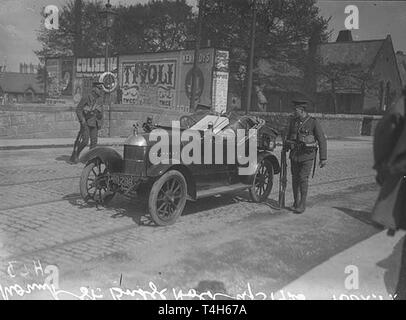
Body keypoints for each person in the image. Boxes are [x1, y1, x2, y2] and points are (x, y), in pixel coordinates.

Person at [284, 100, 327, 213]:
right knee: (295, 179)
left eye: (295, 110)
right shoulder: (293, 121)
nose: (294, 111)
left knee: (303, 179)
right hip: (294, 155)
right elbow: (288, 136)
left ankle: (302, 204)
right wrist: (285, 148)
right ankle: (296, 202)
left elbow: (322, 139)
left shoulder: (313, 122)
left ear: (301, 110)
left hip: (307, 156)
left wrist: (323, 158)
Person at [69, 82, 104, 164]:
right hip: (86, 122)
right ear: (94, 89)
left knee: (94, 143)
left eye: (101, 89)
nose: (101, 90)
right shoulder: (86, 97)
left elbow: (101, 113)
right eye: (99, 88)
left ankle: (90, 159)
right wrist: (82, 120)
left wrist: (99, 115)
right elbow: (78, 109)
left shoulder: (100, 99)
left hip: (95, 123)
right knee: (85, 141)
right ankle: (76, 154)